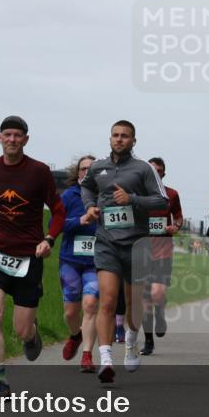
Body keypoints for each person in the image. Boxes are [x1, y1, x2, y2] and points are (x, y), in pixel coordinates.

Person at [0, 116, 65, 398]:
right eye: (7, 135)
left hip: (30, 258)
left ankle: (32, 333)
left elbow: (57, 211)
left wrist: (49, 239)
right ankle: (1, 381)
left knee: (21, 331)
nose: (12, 140)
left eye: (18, 135)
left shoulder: (39, 172)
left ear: (26, 140)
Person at [81, 120, 169, 383]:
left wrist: (132, 200)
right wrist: (89, 206)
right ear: (110, 138)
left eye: (125, 136)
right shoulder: (98, 167)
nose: (119, 139)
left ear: (133, 141)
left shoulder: (143, 169)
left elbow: (162, 201)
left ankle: (131, 341)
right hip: (107, 242)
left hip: (136, 245)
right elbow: (86, 186)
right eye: (115, 135)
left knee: (133, 305)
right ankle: (106, 359)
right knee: (107, 300)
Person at [58, 155, 100, 373]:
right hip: (70, 261)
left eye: (91, 169)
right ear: (78, 172)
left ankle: (87, 354)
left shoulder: (106, 195)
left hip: (96, 261)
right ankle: (75, 335)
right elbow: (55, 224)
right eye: (83, 169)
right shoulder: (68, 196)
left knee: (91, 305)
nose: (86, 172)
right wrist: (80, 220)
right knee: (71, 312)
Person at [141, 157, 183, 356]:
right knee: (144, 299)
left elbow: (179, 217)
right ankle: (148, 341)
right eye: (151, 170)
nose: (155, 173)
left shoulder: (172, 194)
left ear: (163, 174)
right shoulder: (138, 194)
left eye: (158, 170)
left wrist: (175, 227)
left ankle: (160, 313)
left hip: (163, 249)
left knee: (157, 293)